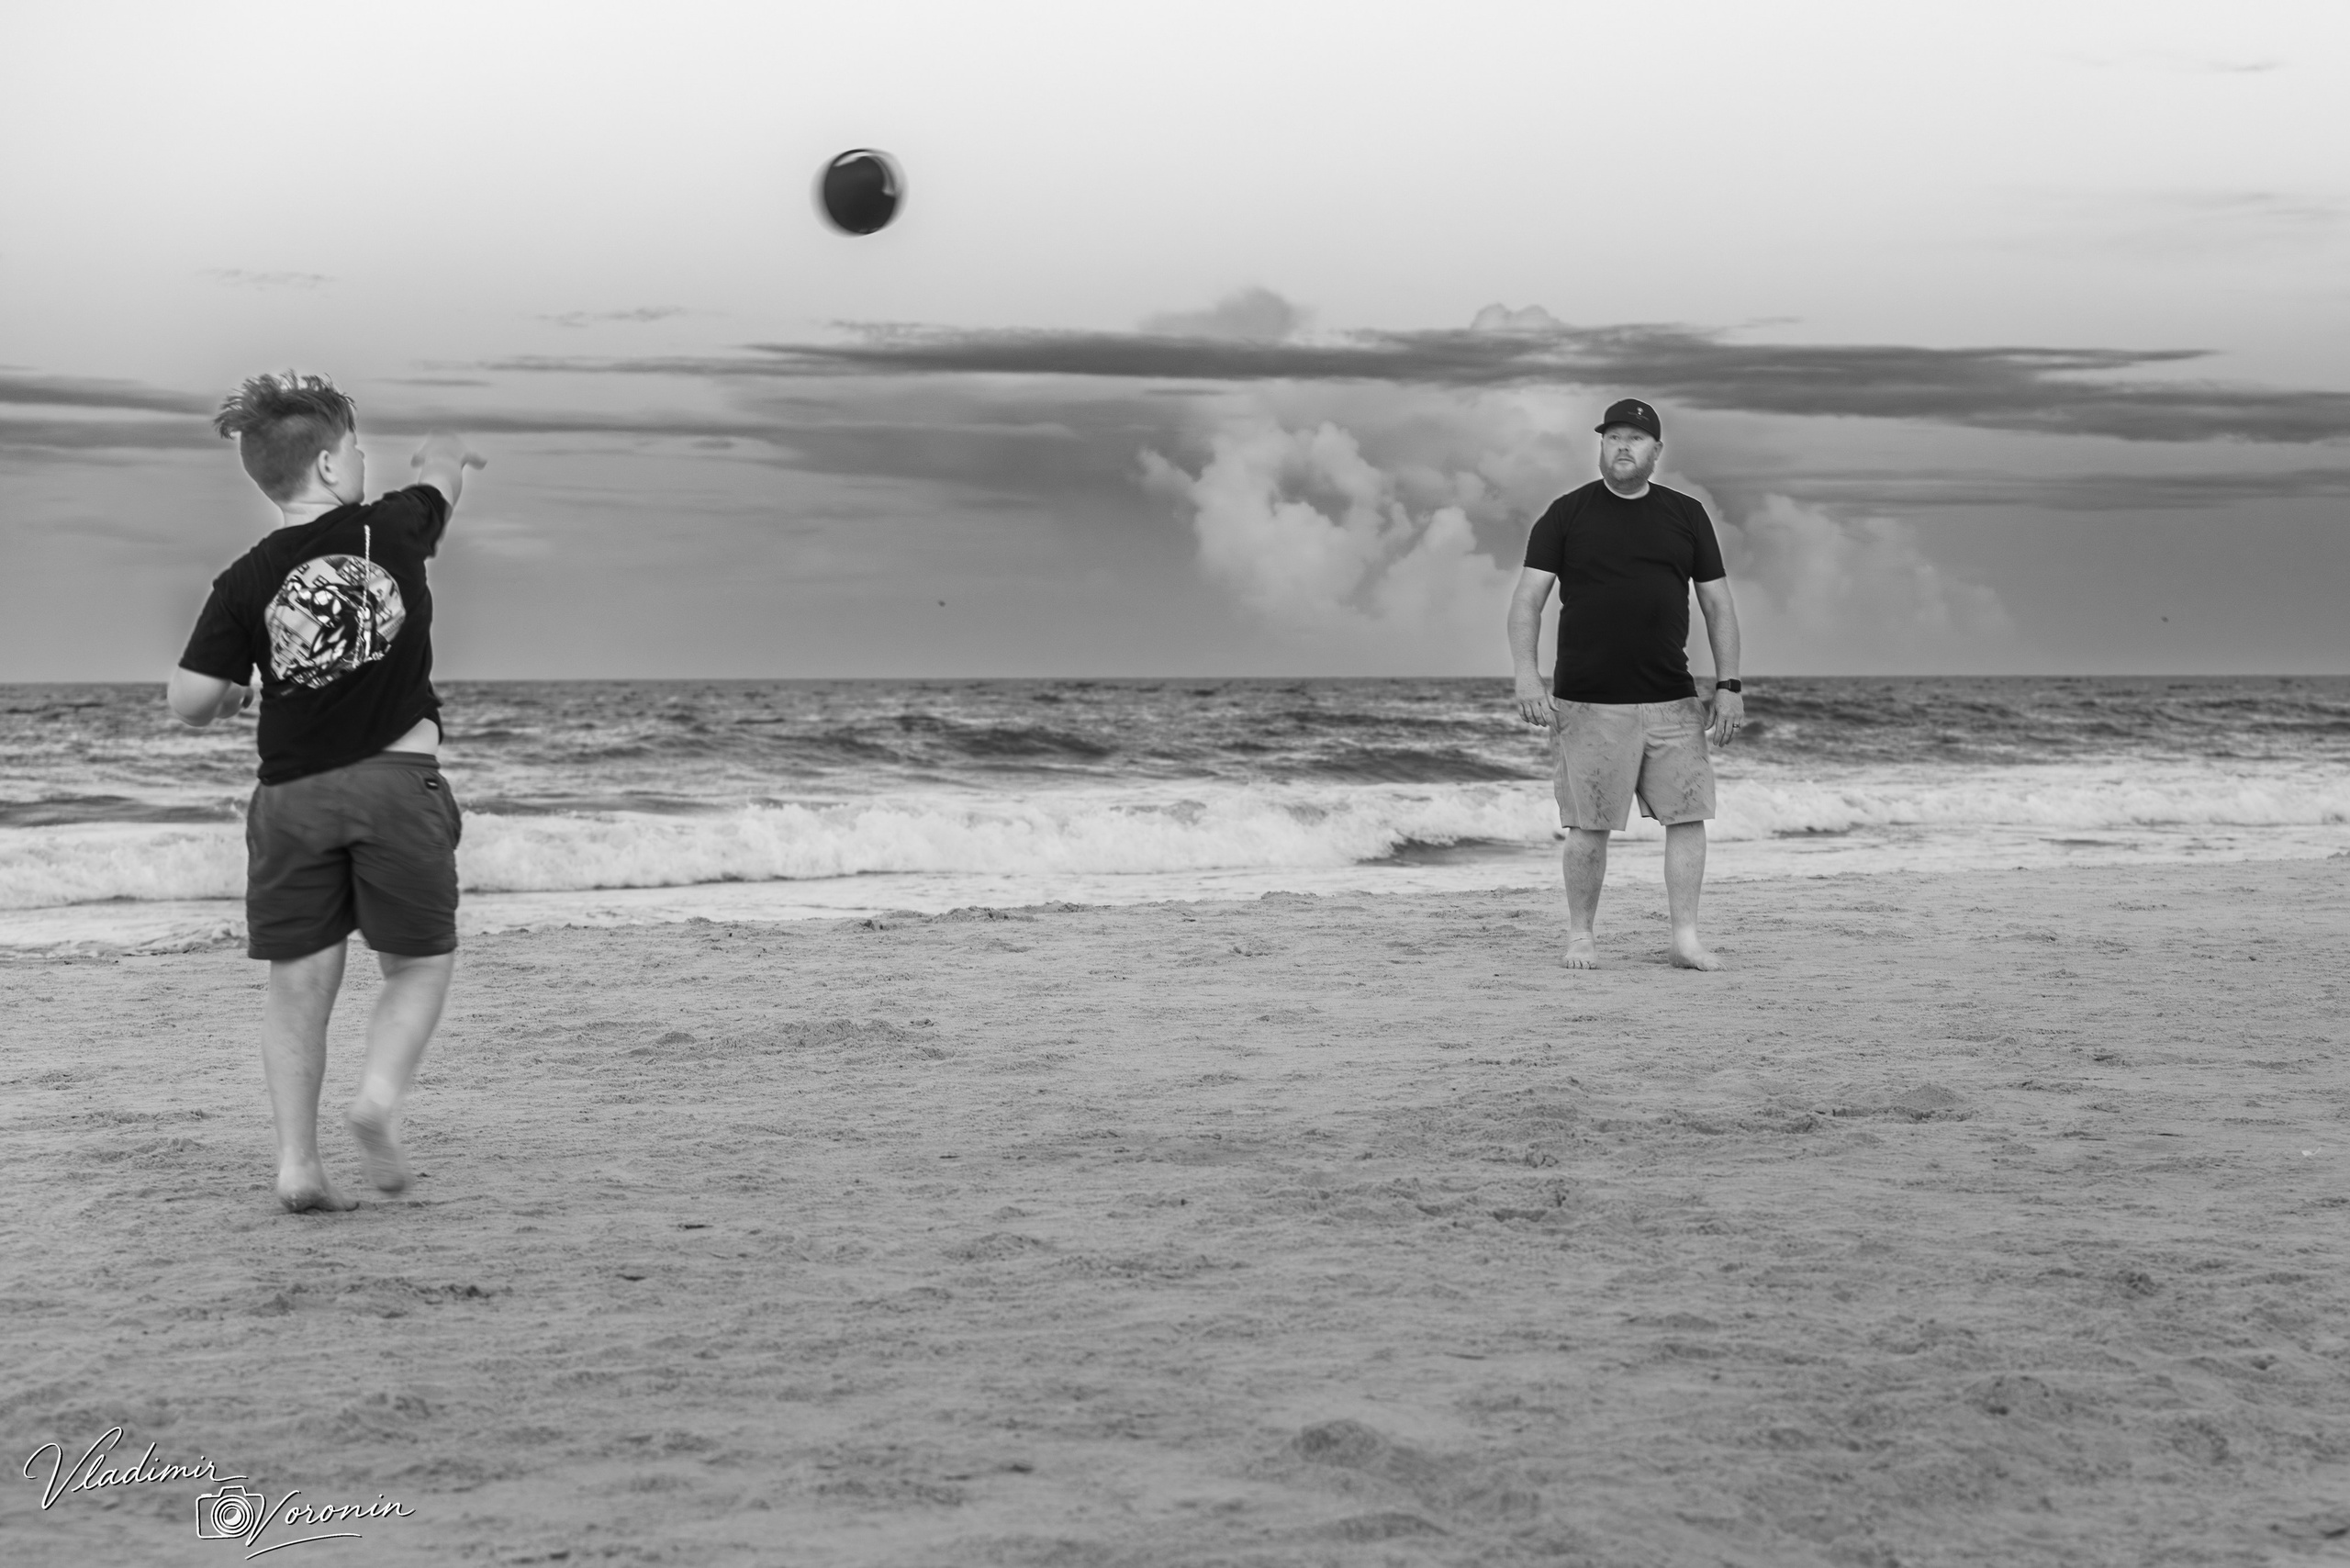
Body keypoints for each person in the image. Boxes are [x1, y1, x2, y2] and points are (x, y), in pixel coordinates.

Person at [168, 372, 485, 1211]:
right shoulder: (393, 526)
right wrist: (444, 454)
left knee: (298, 983)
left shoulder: (246, 578)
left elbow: (189, 702)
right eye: (360, 452)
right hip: (395, 782)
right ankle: (377, 1097)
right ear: (336, 469)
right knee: (416, 965)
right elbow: (441, 486)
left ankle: (299, 1166)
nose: (367, 465)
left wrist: (237, 691)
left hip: (293, 799)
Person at [1505, 398, 1743, 970]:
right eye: (1613, 436)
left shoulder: (1687, 515)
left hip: (1672, 701)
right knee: (1588, 826)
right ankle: (1581, 935)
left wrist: (1730, 684)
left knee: (1688, 817)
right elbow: (1527, 601)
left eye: (1635, 438)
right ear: (1601, 445)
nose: (1622, 446)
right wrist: (1526, 675)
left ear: (1656, 452)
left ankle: (1685, 937)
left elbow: (1718, 606)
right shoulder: (1566, 514)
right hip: (1588, 703)